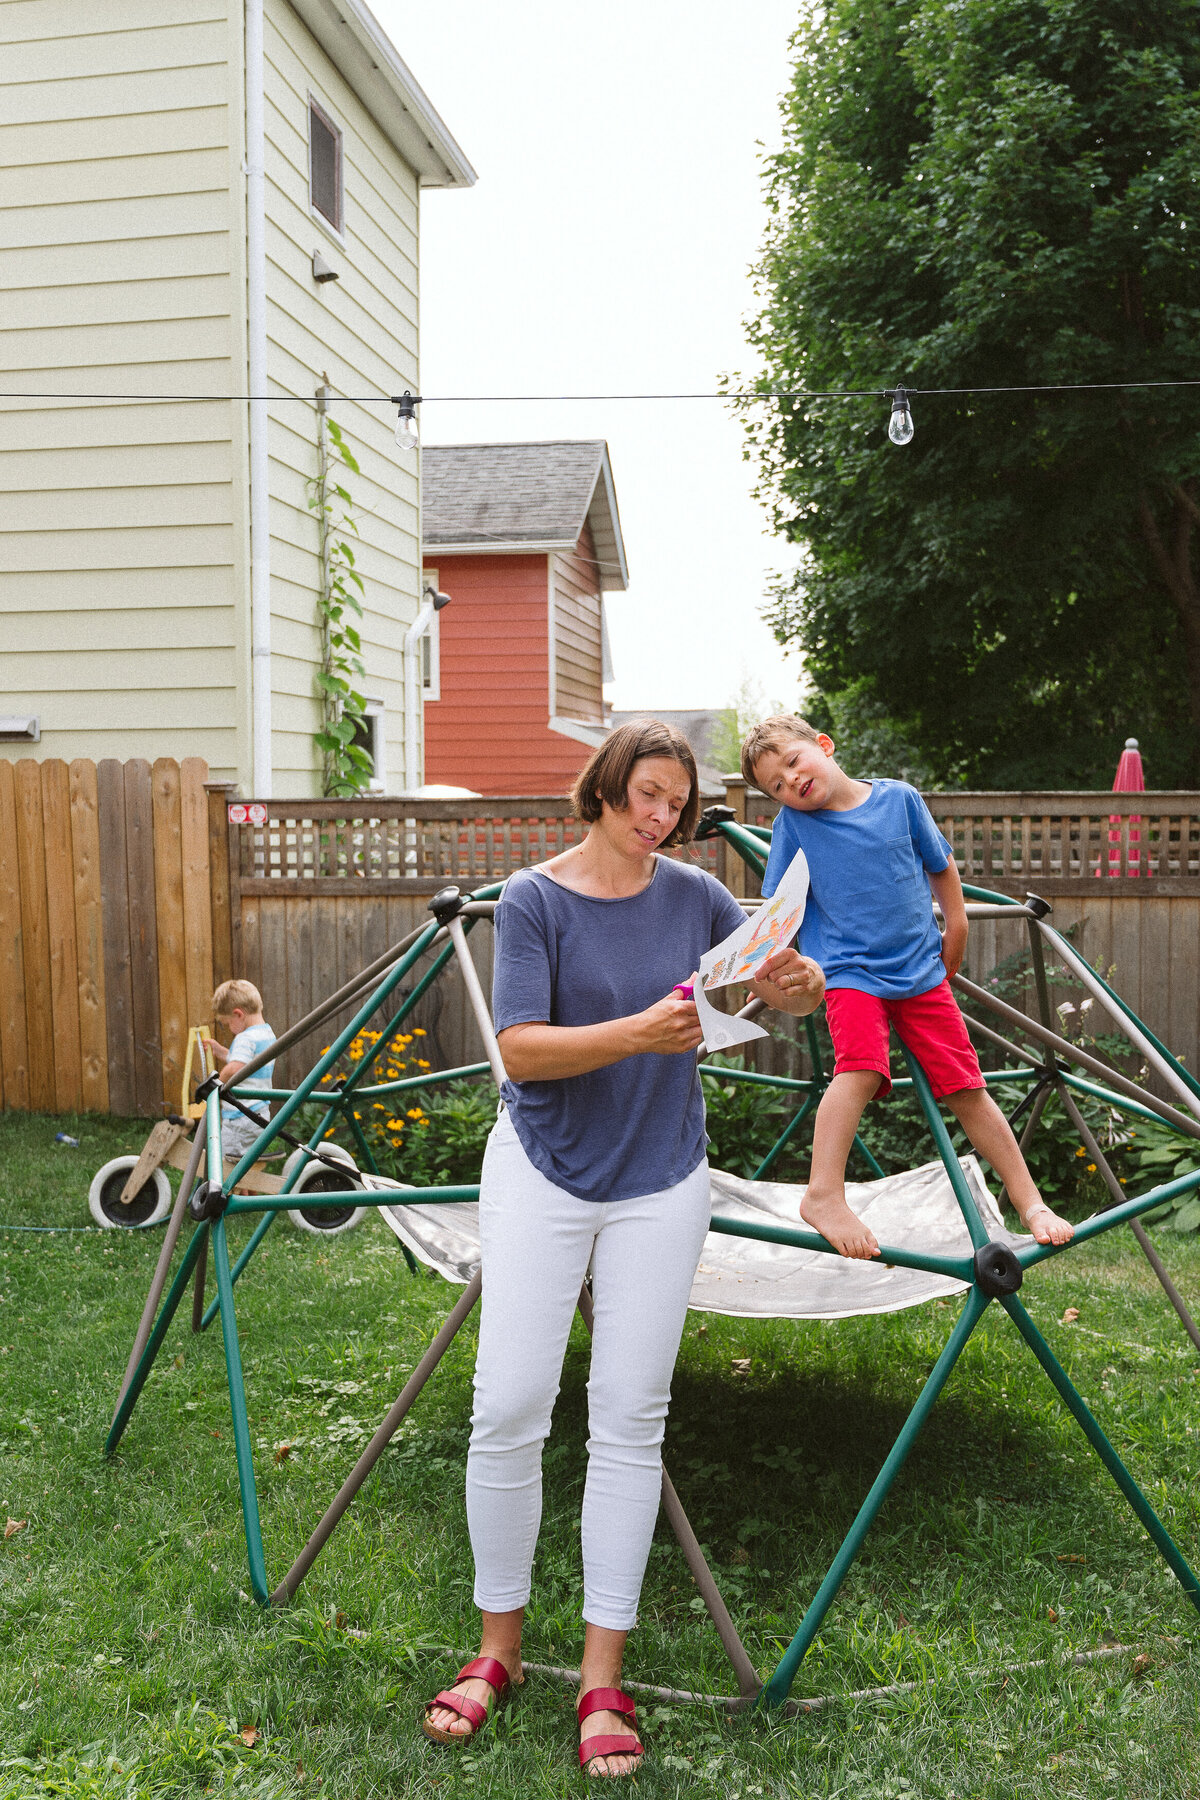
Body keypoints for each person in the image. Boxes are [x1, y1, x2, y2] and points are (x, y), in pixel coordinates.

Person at [421, 720, 824, 1777]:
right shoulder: (535, 899)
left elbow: (749, 985)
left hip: (662, 1178)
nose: (661, 820)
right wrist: (637, 1032)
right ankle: (496, 1650)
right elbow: (518, 1052)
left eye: (676, 807)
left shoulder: (695, 896)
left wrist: (791, 988)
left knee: (629, 1422)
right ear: (602, 791)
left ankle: (604, 1674)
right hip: (544, 1170)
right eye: (646, 797)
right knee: (508, 1406)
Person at [741, 715, 1075, 1261]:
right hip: (849, 973)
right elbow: (780, 908)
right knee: (860, 1069)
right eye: (776, 785)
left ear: (823, 746)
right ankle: (823, 1193)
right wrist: (779, 963)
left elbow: (940, 865)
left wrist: (958, 925)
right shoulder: (794, 827)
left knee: (968, 1085)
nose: (791, 782)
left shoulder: (899, 799)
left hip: (919, 970)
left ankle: (1030, 1201)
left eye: (794, 762)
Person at [202, 980, 276, 1164]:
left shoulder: (245, 1038)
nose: (229, 1028)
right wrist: (222, 1052)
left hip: (240, 1118)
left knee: (226, 1165)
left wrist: (215, 1084)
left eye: (227, 1023)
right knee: (247, 1165)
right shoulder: (266, 1033)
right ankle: (247, 1193)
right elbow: (247, 1064)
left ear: (238, 1014)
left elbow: (236, 1068)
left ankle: (228, 1193)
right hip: (259, 1114)